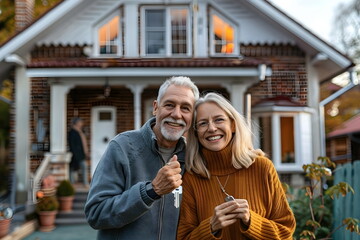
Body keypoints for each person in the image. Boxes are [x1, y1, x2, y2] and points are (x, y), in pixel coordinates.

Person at [85, 76, 199, 240]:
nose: (176, 114)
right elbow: (96, 213)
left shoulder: (192, 159)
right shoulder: (122, 147)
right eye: (169, 105)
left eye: (186, 108)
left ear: (192, 116)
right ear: (155, 107)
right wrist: (151, 191)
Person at [177, 92, 296, 240]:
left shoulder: (262, 168)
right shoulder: (192, 178)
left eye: (219, 120)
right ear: (196, 133)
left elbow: (285, 232)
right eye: (203, 123)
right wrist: (211, 227)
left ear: (232, 125)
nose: (212, 128)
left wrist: (251, 221)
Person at [68, 117, 89, 187]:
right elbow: (72, 144)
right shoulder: (72, 132)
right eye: (80, 122)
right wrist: (75, 154)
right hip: (75, 154)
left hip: (81, 154)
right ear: (76, 123)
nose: (81, 124)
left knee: (79, 167)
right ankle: (73, 183)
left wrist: (85, 151)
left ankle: (84, 183)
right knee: (73, 168)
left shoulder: (79, 131)